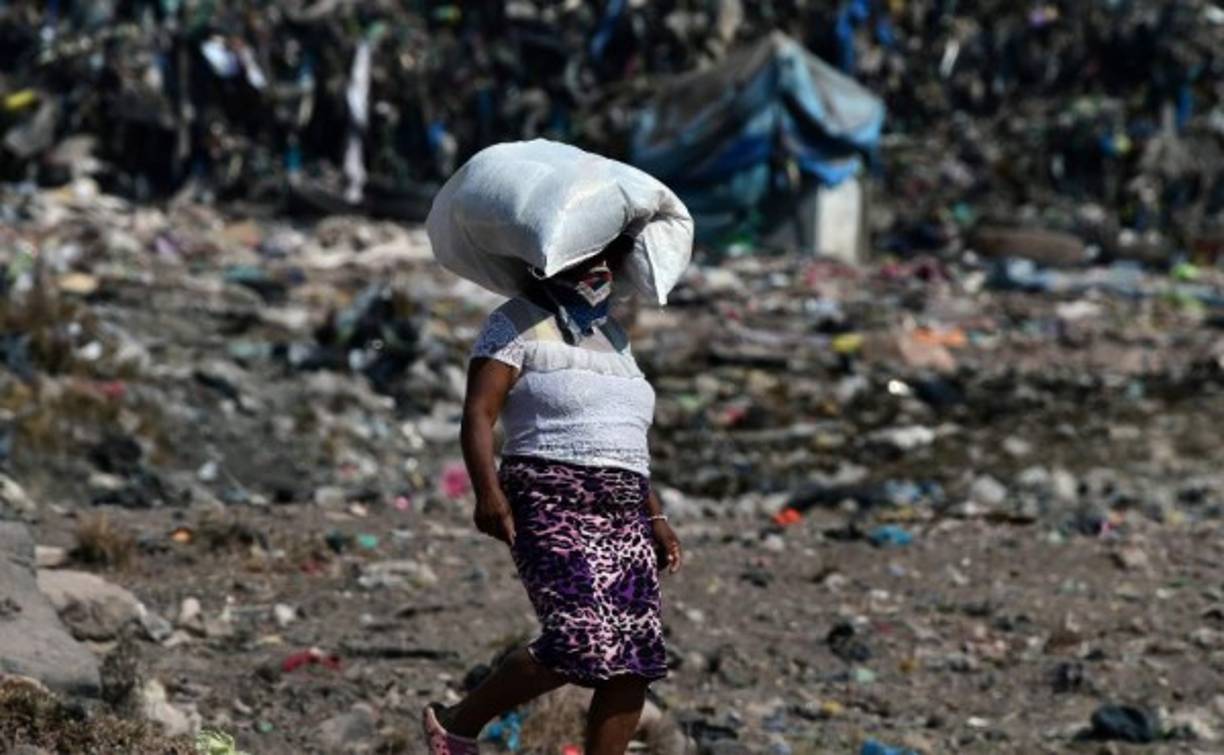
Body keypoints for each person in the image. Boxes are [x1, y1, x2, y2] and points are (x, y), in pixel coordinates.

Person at [422, 235, 683, 755]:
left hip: (625, 506)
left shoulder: (613, 336)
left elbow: (622, 436)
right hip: (550, 497)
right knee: (576, 639)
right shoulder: (514, 322)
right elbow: (479, 413)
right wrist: (488, 493)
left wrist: (655, 516)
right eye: (591, 256)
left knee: (634, 656)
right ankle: (457, 722)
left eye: (611, 257)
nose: (603, 268)